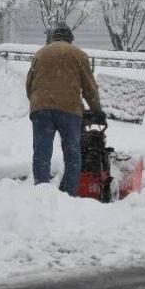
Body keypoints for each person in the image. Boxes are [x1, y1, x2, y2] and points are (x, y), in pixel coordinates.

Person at [26, 25, 104, 196]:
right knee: (72, 153)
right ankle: (68, 193)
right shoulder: (78, 54)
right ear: (70, 39)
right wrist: (97, 111)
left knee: (42, 151)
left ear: (54, 38)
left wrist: (38, 102)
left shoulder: (40, 53)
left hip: (41, 108)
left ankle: (41, 191)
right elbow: (90, 88)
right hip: (68, 110)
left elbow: (29, 84)